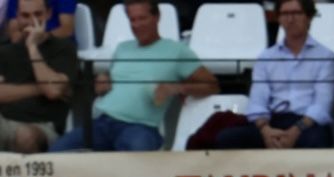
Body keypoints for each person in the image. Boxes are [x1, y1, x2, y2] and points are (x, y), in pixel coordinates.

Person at [49, 0, 217, 152]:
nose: (136, 25)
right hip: (102, 122)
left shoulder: (177, 51)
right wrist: (102, 83)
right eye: (132, 20)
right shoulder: (123, 48)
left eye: (142, 19)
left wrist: (178, 88)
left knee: (137, 153)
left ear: (156, 17)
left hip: (140, 127)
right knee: (57, 151)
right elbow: (116, 81)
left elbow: (212, 85)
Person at [213, 0, 334, 151]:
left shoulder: (325, 56)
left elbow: (322, 106)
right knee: (227, 139)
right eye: (285, 14)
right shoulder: (266, 57)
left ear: (309, 17)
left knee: (317, 141)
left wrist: (294, 132)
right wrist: (266, 131)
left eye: (296, 13)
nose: (290, 19)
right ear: (278, 18)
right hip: (272, 121)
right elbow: (257, 102)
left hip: (307, 124)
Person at [0, 0, 76, 152]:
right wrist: (38, 88)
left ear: (48, 14)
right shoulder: (6, 52)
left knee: (25, 137)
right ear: (17, 17)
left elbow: (52, 91)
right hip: (4, 121)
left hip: (42, 125)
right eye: (25, 15)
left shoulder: (64, 48)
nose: (32, 21)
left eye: (38, 14)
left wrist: (32, 47)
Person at [5, 0, 74, 40]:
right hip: (24, 43)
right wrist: (29, 38)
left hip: (56, 43)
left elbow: (67, 29)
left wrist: (42, 37)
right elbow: (14, 35)